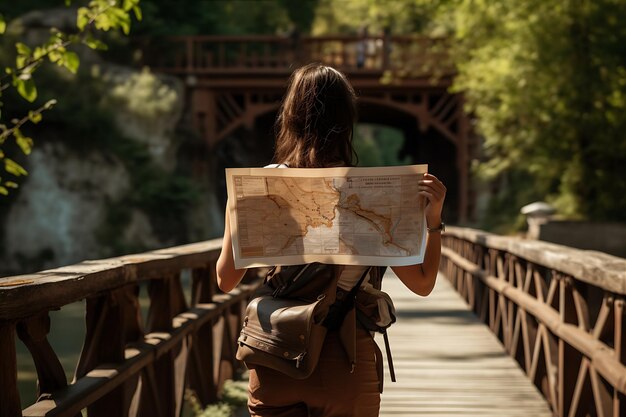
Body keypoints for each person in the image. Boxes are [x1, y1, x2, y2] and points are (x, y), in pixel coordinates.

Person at [216, 63, 446, 417]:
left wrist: (236, 210)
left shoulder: (260, 186)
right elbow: (423, 284)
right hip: (347, 362)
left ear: (290, 115)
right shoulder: (376, 195)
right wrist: (434, 223)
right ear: (347, 120)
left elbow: (225, 279)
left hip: (276, 355)